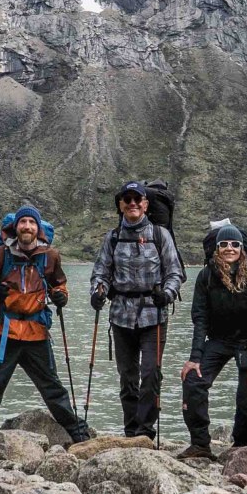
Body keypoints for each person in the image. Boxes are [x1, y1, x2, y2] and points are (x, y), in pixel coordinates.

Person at [0, 207, 94, 443]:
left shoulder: (50, 256)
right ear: (16, 227)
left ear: (38, 228)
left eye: (31, 222)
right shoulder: (1, 255)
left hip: (36, 333)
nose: (27, 226)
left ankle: (79, 434)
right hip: (3, 332)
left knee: (52, 388)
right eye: (23, 222)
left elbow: (59, 284)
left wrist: (60, 296)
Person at [91, 181, 185, 441]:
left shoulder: (159, 235)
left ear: (145, 204)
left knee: (151, 373)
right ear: (121, 205)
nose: (132, 203)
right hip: (121, 315)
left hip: (153, 314)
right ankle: (131, 430)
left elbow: (174, 271)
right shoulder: (112, 238)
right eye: (127, 199)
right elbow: (101, 272)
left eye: (137, 199)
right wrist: (98, 292)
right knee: (128, 377)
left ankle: (146, 430)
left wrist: (167, 293)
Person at [177, 222, 247, 457]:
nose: (229, 248)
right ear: (216, 248)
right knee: (193, 381)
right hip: (219, 339)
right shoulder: (206, 276)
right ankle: (200, 444)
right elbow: (200, 318)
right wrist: (195, 358)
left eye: (234, 244)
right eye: (224, 244)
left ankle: (242, 445)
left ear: (242, 248)